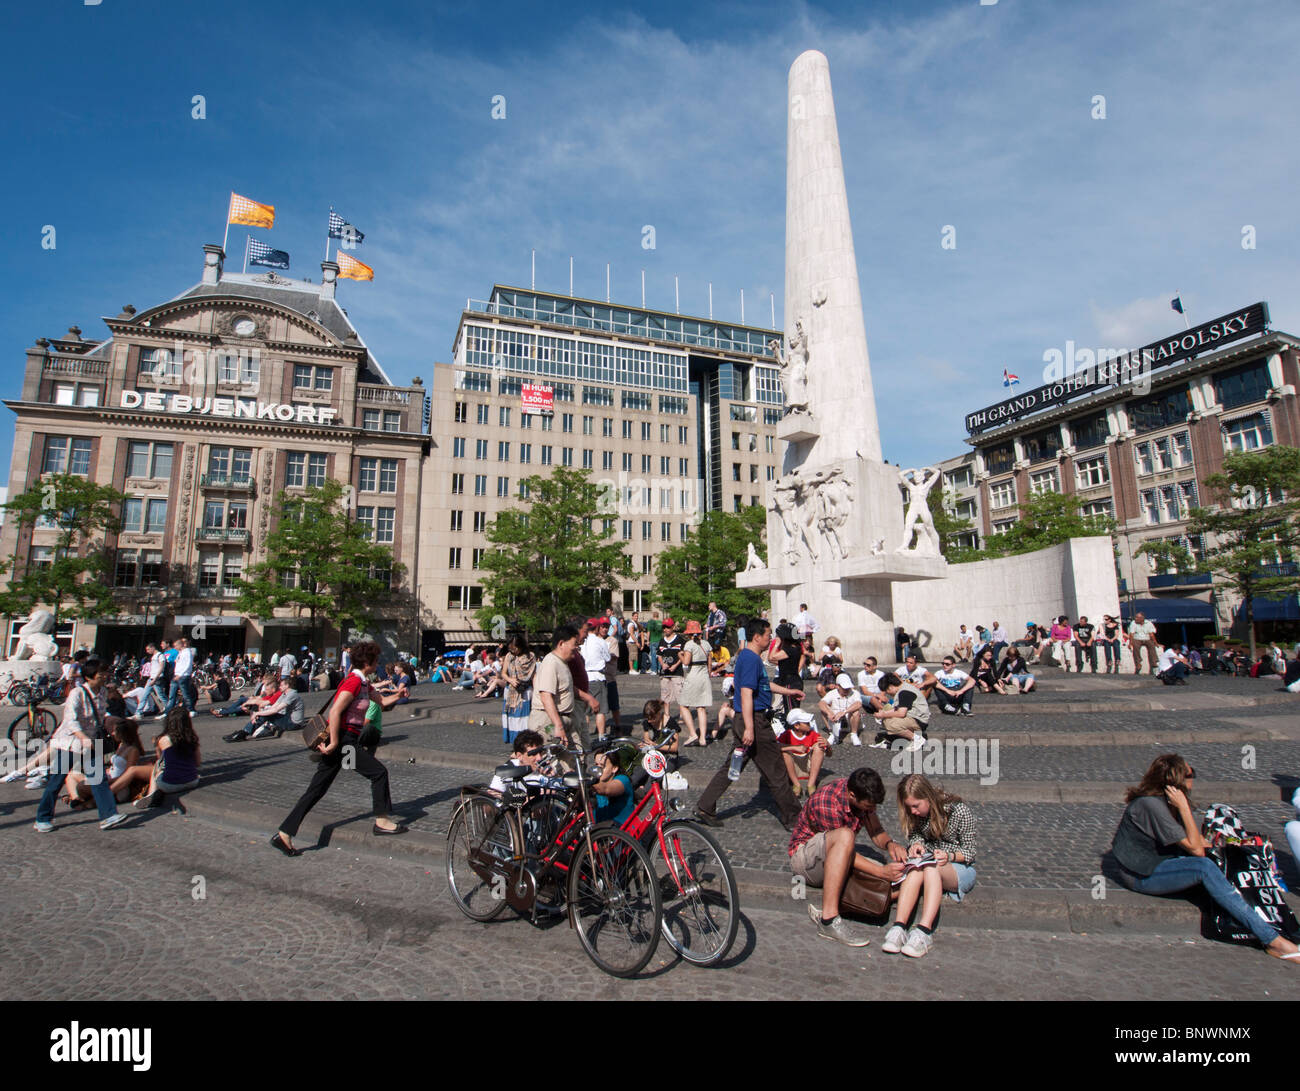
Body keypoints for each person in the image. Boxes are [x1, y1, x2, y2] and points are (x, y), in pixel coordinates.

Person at [1110, 754, 1299, 964]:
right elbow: (1197, 850)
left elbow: (1199, 841)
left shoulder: (1165, 803)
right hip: (1140, 874)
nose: (1194, 779)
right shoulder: (1150, 806)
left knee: (1222, 865)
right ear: (1177, 781)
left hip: (1158, 864)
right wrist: (1183, 807)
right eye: (1191, 775)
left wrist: (1234, 845)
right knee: (1204, 867)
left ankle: (1270, 924)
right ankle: (1273, 941)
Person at [270, 641, 407, 856]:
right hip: (344, 742)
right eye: (376, 660)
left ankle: (284, 833)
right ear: (368, 663)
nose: (378, 664)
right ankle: (381, 821)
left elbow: (381, 702)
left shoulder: (364, 684)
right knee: (378, 772)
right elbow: (335, 712)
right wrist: (334, 742)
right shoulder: (353, 682)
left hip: (345, 742)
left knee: (317, 789)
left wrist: (399, 695)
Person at [694, 617, 804, 831]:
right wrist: (750, 728)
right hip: (753, 720)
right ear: (757, 637)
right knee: (776, 770)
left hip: (748, 719)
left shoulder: (749, 657)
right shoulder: (751, 659)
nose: (770, 637)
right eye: (768, 634)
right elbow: (746, 693)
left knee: (733, 765)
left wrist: (789, 691)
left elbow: (764, 684)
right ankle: (794, 817)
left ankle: (705, 805)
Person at [787, 767, 908, 947]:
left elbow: (875, 831)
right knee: (847, 837)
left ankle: (884, 896)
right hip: (805, 859)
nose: (872, 809)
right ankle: (828, 919)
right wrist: (881, 872)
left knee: (896, 876)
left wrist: (891, 844)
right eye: (869, 806)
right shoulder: (828, 802)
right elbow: (842, 849)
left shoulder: (860, 793)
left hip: (835, 855)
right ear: (852, 795)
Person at [883, 773, 978, 959]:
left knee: (930, 866)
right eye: (909, 807)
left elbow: (970, 852)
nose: (913, 812)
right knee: (917, 869)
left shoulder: (959, 811)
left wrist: (949, 855)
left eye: (916, 806)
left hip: (959, 867)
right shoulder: (917, 815)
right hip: (930, 862)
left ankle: (924, 931)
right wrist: (917, 844)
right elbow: (916, 835)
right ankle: (899, 927)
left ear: (928, 797)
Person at [33, 657, 126, 832]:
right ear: (89, 676)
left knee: (99, 780)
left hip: (92, 741)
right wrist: (83, 737)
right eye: (101, 674)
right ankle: (42, 818)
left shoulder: (103, 692)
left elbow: (100, 716)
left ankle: (108, 815)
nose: (105, 676)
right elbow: (70, 721)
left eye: (105, 673)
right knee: (56, 781)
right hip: (72, 743)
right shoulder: (77, 693)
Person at [133, 706, 203, 809]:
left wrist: (157, 746)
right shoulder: (192, 738)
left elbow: (161, 761)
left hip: (170, 784)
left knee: (157, 766)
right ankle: (152, 796)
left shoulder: (163, 739)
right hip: (192, 781)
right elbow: (197, 763)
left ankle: (151, 794)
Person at [529, 626, 578, 747]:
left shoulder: (562, 662)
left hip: (563, 719)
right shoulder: (551, 662)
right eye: (574, 644)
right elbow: (546, 696)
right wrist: (558, 725)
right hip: (548, 721)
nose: (577, 648)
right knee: (549, 761)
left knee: (576, 757)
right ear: (561, 643)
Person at [225, 675, 305, 740]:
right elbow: (274, 706)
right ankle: (243, 732)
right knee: (265, 714)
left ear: (287, 686)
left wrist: (257, 713)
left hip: (294, 723)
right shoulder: (284, 694)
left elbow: (276, 710)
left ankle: (243, 733)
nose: (279, 687)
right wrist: (258, 714)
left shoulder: (292, 694)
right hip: (288, 719)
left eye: (281, 685)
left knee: (267, 714)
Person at [874, 671, 930, 751]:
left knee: (890, 724)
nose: (888, 694)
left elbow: (901, 713)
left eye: (887, 691)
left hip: (918, 720)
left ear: (890, 687)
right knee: (887, 713)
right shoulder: (904, 688)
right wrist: (884, 713)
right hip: (915, 717)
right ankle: (910, 740)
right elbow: (897, 708)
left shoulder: (904, 692)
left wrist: (883, 715)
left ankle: (917, 739)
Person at [779, 708, 826, 800]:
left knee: (819, 747)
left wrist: (827, 745)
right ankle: (796, 784)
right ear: (796, 725)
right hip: (792, 767)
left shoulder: (813, 734)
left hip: (808, 767)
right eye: (806, 723)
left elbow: (828, 753)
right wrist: (793, 747)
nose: (809, 724)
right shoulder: (786, 735)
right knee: (784, 752)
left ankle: (811, 784)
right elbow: (774, 748)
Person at [678, 620, 713, 746]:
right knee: (701, 707)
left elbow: (686, 662)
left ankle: (693, 734)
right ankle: (703, 738)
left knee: (683, 704)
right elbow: (710, 663)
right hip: (704, 676)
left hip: (693, 675)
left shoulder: (689, 644)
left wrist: (680, 655)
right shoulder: (706, 644)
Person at [580, 618, 613, 739]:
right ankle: (601, 735)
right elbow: (608, 658)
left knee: (585, 711)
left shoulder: (582, 641)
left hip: (584, 676)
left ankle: (584, 735)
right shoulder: (600, 641)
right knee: (601, 710)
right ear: (598, 628)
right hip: (597, 676)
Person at [500, 635, 537, 743]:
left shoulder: (530, 656)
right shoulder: (509, 656)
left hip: (526, 690)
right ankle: (515, 743)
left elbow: (534, 675)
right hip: (511, 690)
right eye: (511, 649)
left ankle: (524, 743)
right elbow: (503, 673)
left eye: (515, 648)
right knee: (513, 718)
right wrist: (511, 680)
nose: (513, 651)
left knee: (523, 719)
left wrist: (537, 692)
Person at [818, 673, 864, 746]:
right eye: (844, 688)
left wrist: (844, 712)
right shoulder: (832, 693)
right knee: (824, 710)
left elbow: (858, 704)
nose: (846, 690)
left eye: (848, 688)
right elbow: (821, 703)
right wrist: (829, 713)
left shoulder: (855, 693)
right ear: (837, 686)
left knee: (856, 712)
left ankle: (854, 734)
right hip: (834, 717)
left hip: (849, 717)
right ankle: (832, 732)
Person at [656, 617, 685, 719]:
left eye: (668, 627)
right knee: (665, 695)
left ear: (672, 627)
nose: (666, 629)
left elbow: (683, 655)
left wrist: (676, 665)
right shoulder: (661, 641)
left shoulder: (680, 640)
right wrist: (662, 664)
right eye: (664, 627)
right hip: (665, 672)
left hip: (677, 672)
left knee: (680, 695)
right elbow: (659, 654)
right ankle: (667, 715)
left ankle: (683, 715)